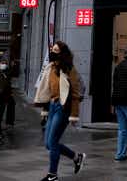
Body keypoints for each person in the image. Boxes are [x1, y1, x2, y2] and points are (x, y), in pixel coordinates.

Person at [34, 41, 86, 181]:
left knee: (53, 141)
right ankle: (77, 157)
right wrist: (45, 111)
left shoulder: (69, 69)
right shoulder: (50, 68)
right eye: (53, 50)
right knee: (48, 144)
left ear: (62, 53)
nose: (53, 52)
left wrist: (74, 115)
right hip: (52, 106)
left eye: (56, 50)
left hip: (63, 108)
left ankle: (52, 175)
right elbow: (46, 91)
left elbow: (76, 93)